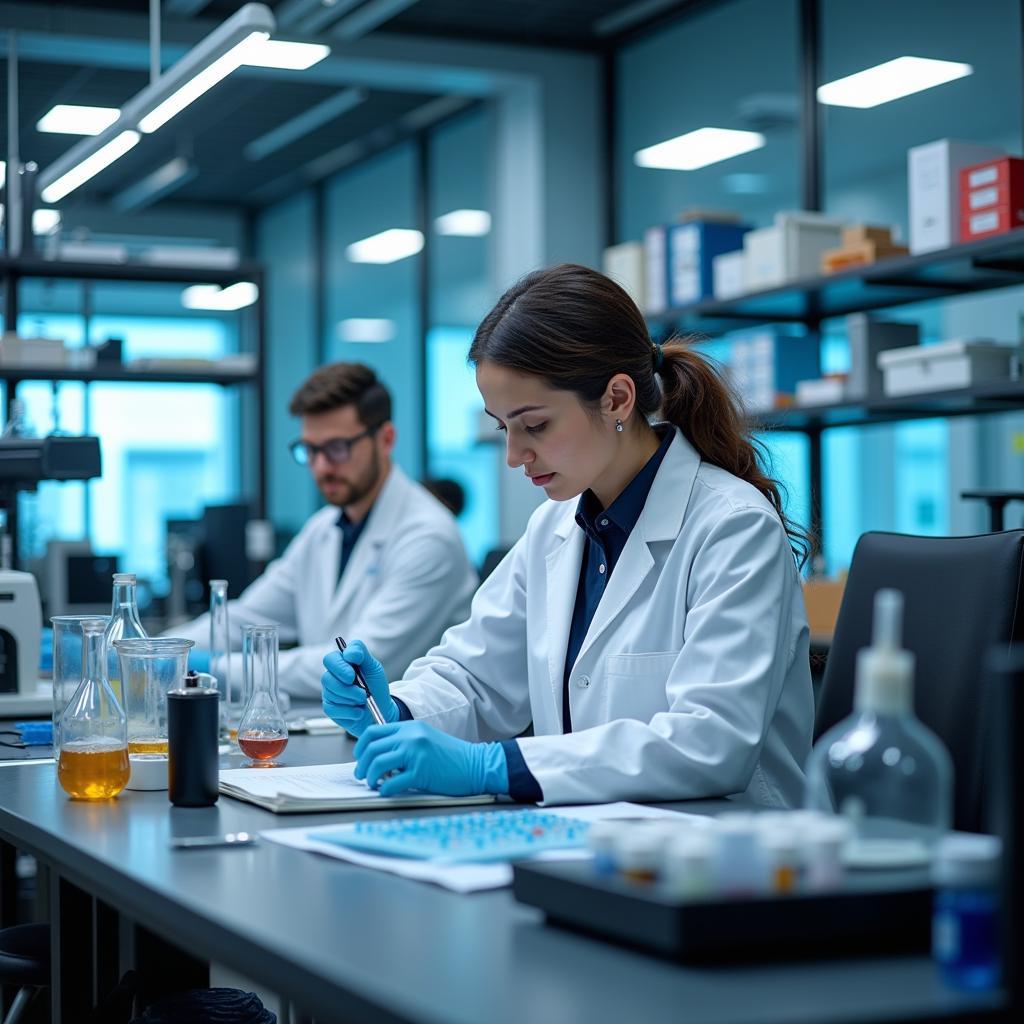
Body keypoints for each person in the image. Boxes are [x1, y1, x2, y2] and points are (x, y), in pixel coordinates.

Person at [321, 265, 814, 805]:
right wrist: (398, 709)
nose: (514, 455)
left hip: (732, 858)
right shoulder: (555, 526)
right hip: (592, 843)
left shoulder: (732, 528)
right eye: (502, 426)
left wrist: (494, 765)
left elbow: (709, 742)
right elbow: (480, 676)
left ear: (618, 399)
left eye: (534, 425)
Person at [176, 362, 478, 698]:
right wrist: (162, 650)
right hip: (340, 727)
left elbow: (355, 666)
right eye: (310, 450)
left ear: (385, 439)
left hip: (413, 735)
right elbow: (249, 616)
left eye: (336, 448)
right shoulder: (323, 529)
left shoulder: (429, 537)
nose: (321, 467)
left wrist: (209, 666)